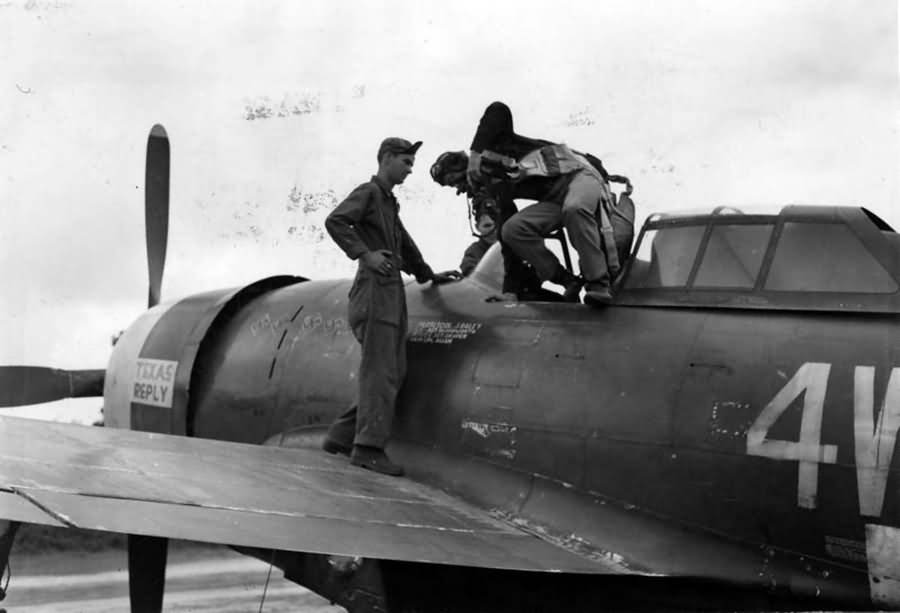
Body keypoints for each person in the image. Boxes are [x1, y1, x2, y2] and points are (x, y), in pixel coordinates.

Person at [322, 137, 458, 476]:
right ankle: (367, 449)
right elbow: (336, 221)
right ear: (386, 159)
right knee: (381, 373)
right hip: (373, 293)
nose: (410, 170)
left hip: (389, 292)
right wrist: (365, 255)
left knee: (393, 372)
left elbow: (404, 242)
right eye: (406, 162)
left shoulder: (387, 202)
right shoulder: (368, 193)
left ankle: (341, 436)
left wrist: (428, 274)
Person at [466, 101, 622, 307]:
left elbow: (498, 109)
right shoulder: (496, 185)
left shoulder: (496, 144)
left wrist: (475, 154)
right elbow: (507, 240)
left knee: (575, 208)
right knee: (513, 230)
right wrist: (510, 291)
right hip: (556, 198)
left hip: (580, 176)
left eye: (459, 179)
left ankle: (598, 284)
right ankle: (568, 280)